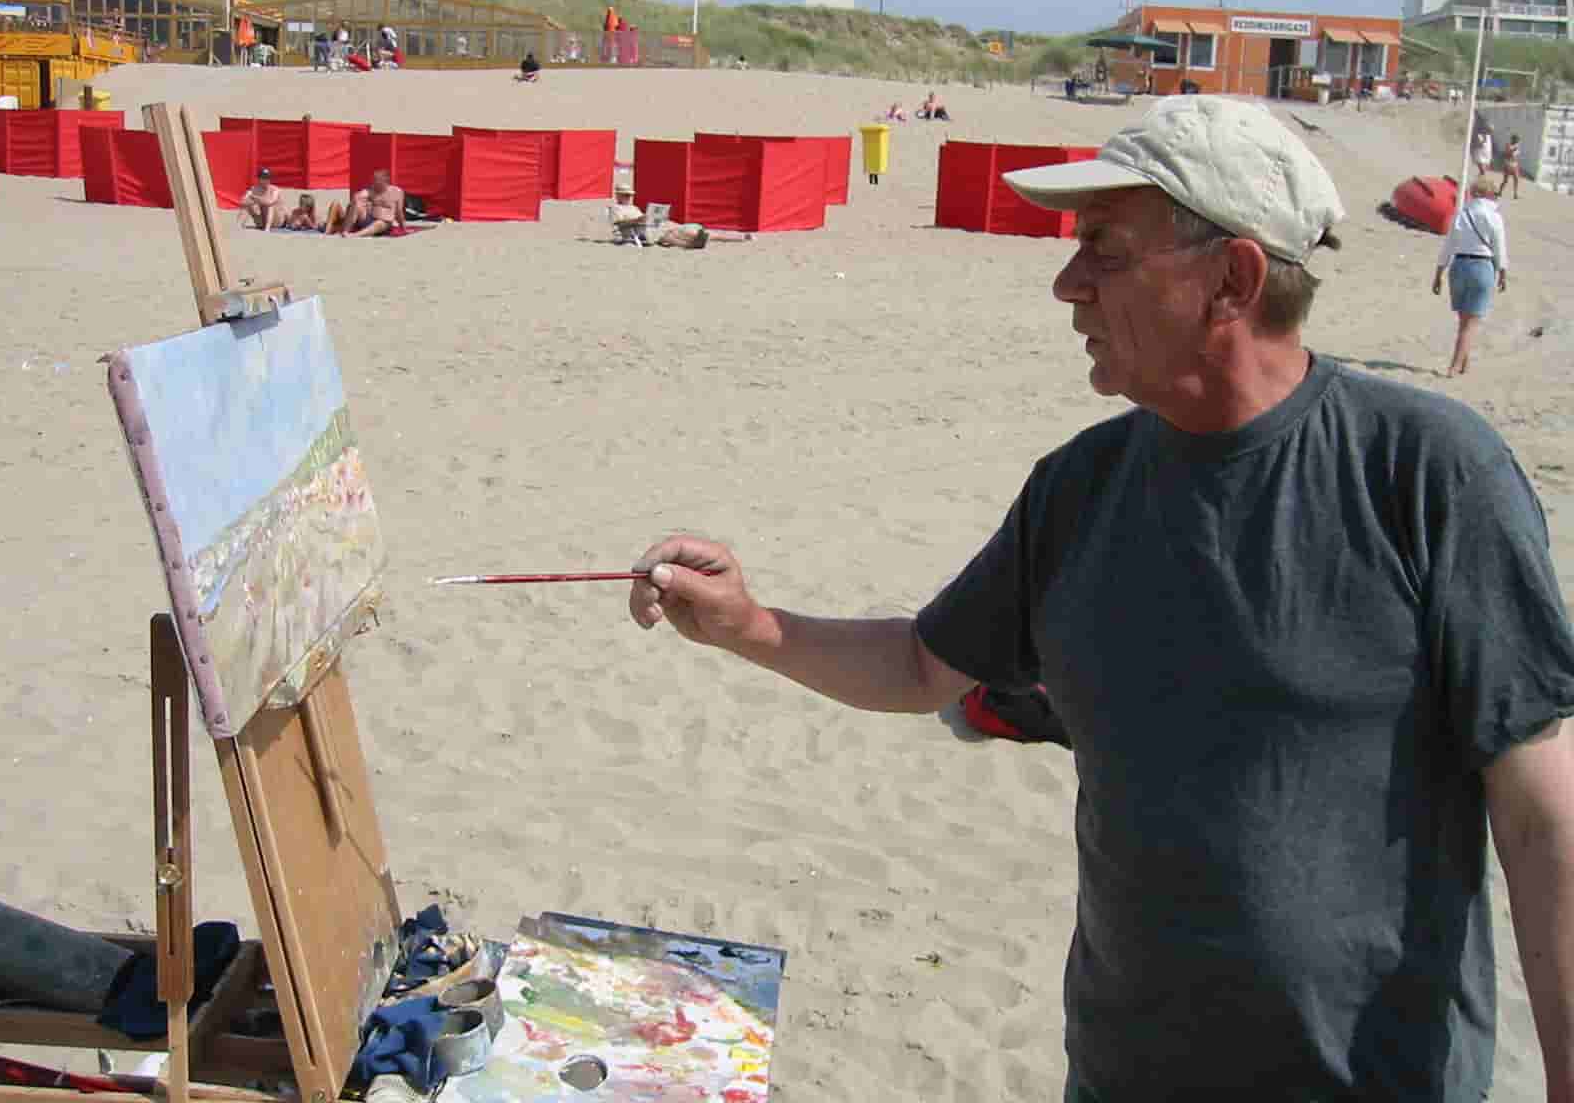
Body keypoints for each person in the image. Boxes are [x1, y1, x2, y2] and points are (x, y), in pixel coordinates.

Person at [628, 96, 1574, 1101]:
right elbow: (919, 665)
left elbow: (1541, 815)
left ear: (1233, 279)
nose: (1067, 284)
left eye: (1106, 252)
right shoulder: (1080, 487)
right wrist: (748, 626)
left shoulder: (1425, 472)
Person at [1432, 179, 1508, 378]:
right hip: (1482, 266)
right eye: (1495, 194)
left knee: (1464, 320)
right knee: (1471, 323)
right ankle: (1454, 367)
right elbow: (1499, 246)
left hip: (1458, 266)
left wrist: (1438, 273)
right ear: (1489, 194)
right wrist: (1503, 271)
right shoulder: (1494, 216)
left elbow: (1448, 245)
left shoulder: (1461, 214)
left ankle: (1464, 364)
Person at [329, 169, 407, 238]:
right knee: (357, 202)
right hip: (367, 218)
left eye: (377, 180)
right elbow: (358, 197)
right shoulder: (371, 190)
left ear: (386, 180)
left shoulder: (397, 192)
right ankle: (346, 231)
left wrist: (403, 227)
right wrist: (358, 199)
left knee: (382, 223)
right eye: (374, 180)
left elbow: (399, 212)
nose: (374, 182)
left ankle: (355, 235)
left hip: (384, 223)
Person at [1501, 132, 1523, 199]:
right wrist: (1514, 149)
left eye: (1518, 140)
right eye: (1517, 140)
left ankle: (1515, 194)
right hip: (1508, 164)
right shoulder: (1508, 145)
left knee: (1516, 179)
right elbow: (1508, 153)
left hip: (1514, 165)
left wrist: (1516, 150)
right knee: (1505, 180)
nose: (1518, 141)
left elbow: (1516, 155)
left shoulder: (1517, 146)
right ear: (1513, 139)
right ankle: (1500, 192)